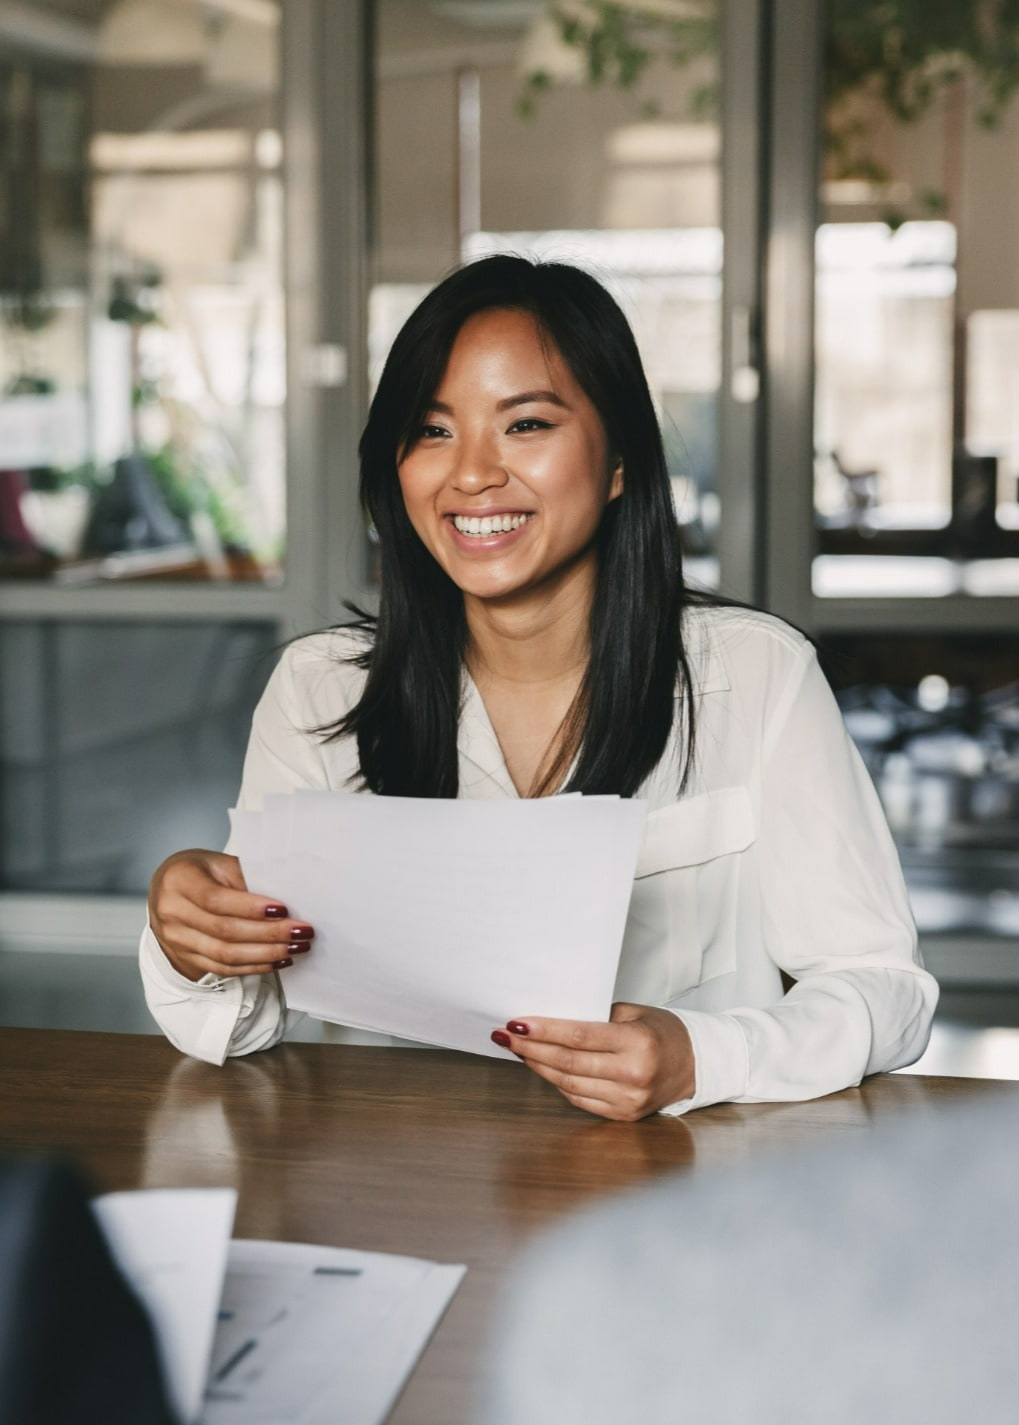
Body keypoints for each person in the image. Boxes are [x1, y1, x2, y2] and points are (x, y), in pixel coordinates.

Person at [141, 254, 937, 1118]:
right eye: (433, 429)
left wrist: (699, 1057)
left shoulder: (754, 675)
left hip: (676, 1198)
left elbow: (882, 991)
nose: (472, 473)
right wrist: (195, 939)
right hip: (397, 1196)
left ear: (621, 459)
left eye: (524, 425)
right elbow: (243, 1025)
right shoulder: (319, 688)